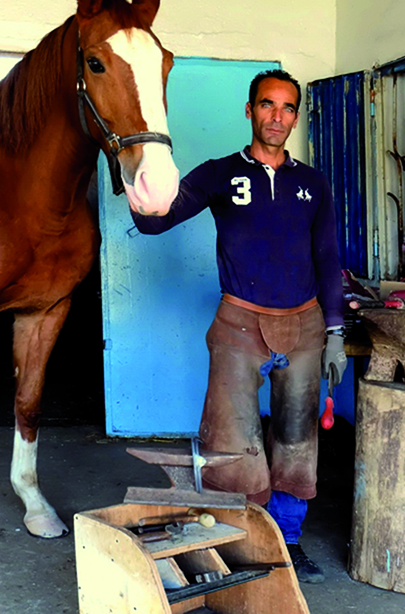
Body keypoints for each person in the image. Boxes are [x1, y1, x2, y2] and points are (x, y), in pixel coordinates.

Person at [130, 69, 347, 583]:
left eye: (288, 107)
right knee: (235, 440)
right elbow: (155, 220)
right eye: (267, 105)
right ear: (249, 111)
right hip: (238, 324)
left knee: (296, 440)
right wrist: (136, 176)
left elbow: (327, 256)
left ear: (296, 115)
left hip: (304, 326)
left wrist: (335, 331)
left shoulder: (312, 183)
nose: (278, 116)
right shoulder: (221, 173)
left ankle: (288, 544)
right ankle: (241, 541)